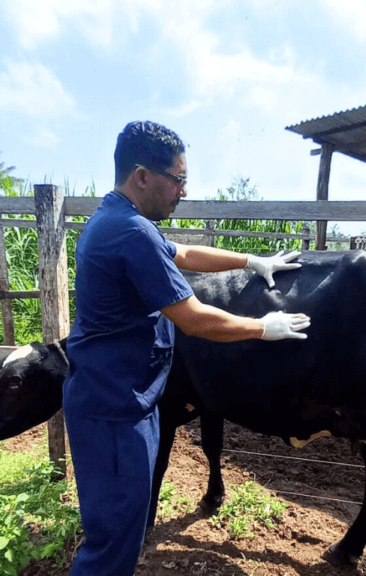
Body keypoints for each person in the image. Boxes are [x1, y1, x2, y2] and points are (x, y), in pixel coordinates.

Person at [63, 120, 311, 576]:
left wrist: (253, 261)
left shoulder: (119, 218)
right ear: (142, 176)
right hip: (115, 411)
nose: (183, 190)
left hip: (123, 400)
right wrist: (263, 327)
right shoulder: (130, 233)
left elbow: (187, 255)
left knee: (122, 534)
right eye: (178, 179)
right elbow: (195, 318)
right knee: (110, 549)